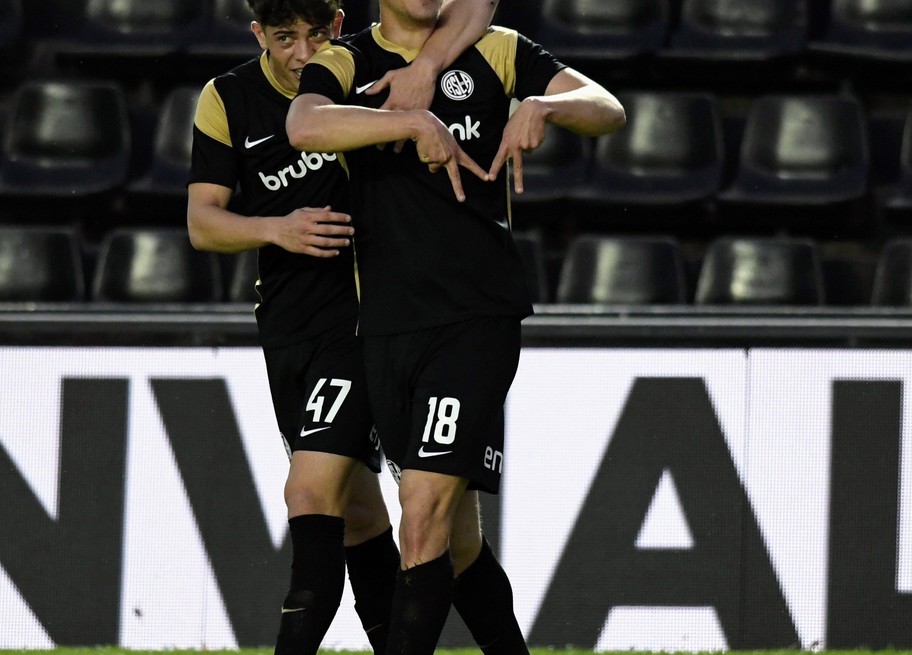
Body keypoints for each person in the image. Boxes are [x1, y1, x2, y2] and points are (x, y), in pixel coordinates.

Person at [284, 1, 626, 652]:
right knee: (456, 542)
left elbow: (607, 108)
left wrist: (545, 106)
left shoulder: (496, 48)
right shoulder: (349, 60)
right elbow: (303, 126)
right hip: (386, 326)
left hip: (475, 315)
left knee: (421, 516)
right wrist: (411, 121)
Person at [186, 1, 495, 653]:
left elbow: (472, 9)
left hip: (364, 323)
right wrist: (276, 229)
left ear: (337, 22)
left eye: (316, 34)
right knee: (366, 515)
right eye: (284, 39)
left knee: (310, 493)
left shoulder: (360, 73)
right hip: (286, 326)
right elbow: (203, 223)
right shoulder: (228, 98)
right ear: (258, 35)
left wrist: (429, 74)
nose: (303, 53)